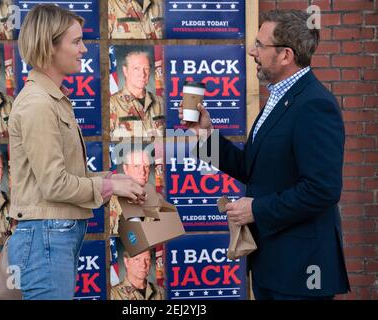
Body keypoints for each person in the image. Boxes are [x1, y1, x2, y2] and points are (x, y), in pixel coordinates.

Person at [180, 10, 350, 299]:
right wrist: (206, 136)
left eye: (260, 45)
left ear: (285, 55)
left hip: (301, 272)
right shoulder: (280, 97)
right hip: (271, 265)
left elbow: (323, 189)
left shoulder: (314, 105)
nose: (251, 51)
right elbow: (252, 166)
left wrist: (256, 209)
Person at [8, 4, 145, 300]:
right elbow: (54, 183)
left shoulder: (51, 100)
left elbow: (64, 176)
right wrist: (108, 184)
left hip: (52, 236)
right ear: (49, 46)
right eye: (76, 41)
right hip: (46, 237)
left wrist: (114, 181)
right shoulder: (38, 104)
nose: (84, 49)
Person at [110, 51, 165, 139]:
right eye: (136, 68)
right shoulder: (111, 104)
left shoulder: (161, 102)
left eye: (146, 68)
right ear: (125, 71)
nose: (142, 74)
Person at [110, 148, 152, 234]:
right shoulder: (110, 200)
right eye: (137, 166)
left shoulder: (158, 200)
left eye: (146, 166)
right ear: (125, 168)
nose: (143, 171)